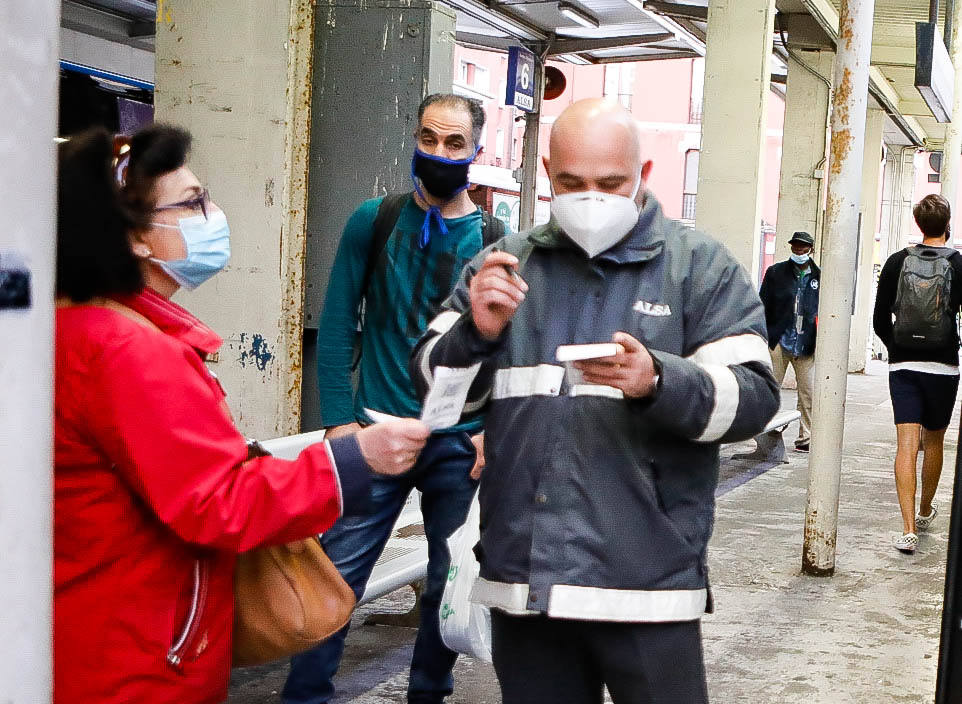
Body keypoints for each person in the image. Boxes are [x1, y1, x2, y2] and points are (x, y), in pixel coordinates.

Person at [412, 99, 780, 704]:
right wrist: (474, 331)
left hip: (647, 582)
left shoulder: (698, 268)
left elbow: (756, 397)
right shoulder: (506, 264)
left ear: (645, 173)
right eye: (571, 183)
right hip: (525, 583)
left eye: (611, 184)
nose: (591, 198)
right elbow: (436, 395)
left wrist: (658, 380)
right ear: (548, 171)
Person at [53, 126, 430, 704]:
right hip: (138, 661)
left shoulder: (88, 326)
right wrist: (352, 459)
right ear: (136, 240)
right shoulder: (129, 352)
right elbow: (217, 501)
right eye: (193, 203)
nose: (213, 214)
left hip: (105, 635)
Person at [283, 93, 503, 704]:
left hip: (458, 442)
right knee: (334, 577)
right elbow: (337, 324)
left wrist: (493, 424)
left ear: (475, 152)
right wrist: (337, 423)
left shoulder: (494, 236)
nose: (439, 152)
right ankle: (304, 698)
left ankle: (428, 693)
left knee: (445, 581)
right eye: (429, 138)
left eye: (454, 143)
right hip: (373, 433)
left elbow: (505, 343)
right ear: (414, 139)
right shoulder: (373, 220)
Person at [873, 194, 962, 554]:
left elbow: (880, 318)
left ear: (919, 224)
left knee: (906, 446)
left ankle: (907, 529)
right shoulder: (958, 264)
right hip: (943, 366)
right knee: (935, 442)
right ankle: (925, 509)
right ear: (948, 223)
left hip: (904, 367)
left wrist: (897, 348)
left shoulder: (896, 262)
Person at [758, 231, 820, 452]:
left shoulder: (819, 276)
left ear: (811, 249)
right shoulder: (776, 273)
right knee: (770, 386)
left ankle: (806, 438)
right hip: (779, 339)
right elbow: (762, 304)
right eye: (795, 247)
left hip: (806, 343)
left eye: (803, 248)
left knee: (808, 392)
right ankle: (765, 433)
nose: (799, 251)